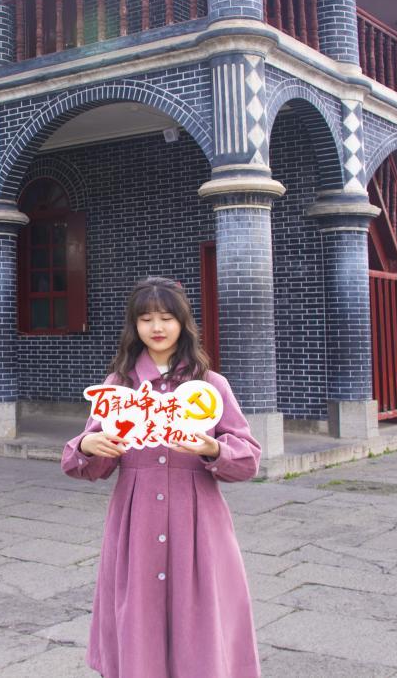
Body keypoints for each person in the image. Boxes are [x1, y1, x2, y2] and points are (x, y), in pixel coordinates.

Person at [61, 276, 262, 678]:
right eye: (146, 318)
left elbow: (248, 459)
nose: (156, 327)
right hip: (135, 521)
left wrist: (213, 448)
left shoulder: (210, 386)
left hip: (198, 522)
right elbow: (85, 463)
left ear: (183, 323)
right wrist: (89, 445)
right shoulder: (119, 386)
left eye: (167, 317)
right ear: (134, 325)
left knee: (201, 617)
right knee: (139, 614)